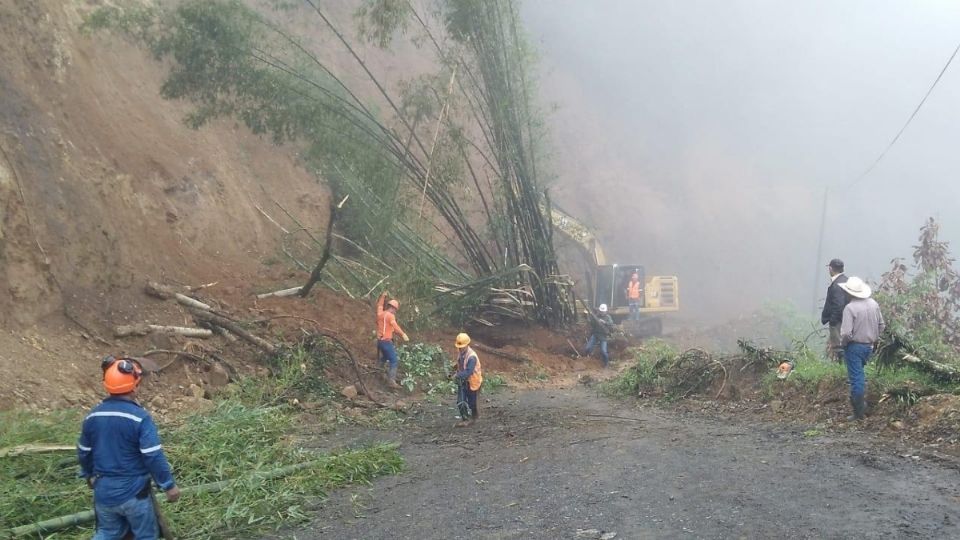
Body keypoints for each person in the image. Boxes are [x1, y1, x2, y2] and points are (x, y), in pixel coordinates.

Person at [78, 356, 179, 540]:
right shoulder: (140, 418)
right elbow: (153, 455)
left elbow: (84, 451)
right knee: (145, 536)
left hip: (104, 492)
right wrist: (168, 485)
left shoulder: (92, 416)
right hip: (134, 493)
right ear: (134, 385)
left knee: (107, 533)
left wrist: (88, 474)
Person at [838, 277, 885, 421]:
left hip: (854, 346)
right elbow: (882, 325)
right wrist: (874, 338)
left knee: (856, 379)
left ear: (850, 293)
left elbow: (846, 333)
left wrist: (844, 344)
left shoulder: (850, 308)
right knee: (860, 375)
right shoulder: (873, 304)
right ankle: (862, 406)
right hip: (869, 346)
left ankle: (859, 412)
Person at [376, 292, 410, 388]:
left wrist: (382, 296)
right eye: (395, 309)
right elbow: (395, 326)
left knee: (385, 357)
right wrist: (403, 334)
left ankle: (378, 373)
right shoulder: (391, 316)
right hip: (386, 341)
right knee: (394, 360)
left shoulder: (380, 313)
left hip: (379, 341)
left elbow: (379, 305)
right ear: (393, 308)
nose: (395, 311)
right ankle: (391, 381)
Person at [821, 258, 849, 362]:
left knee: (838, 347)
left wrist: (833, 321)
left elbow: (839, 304)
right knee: (844, 345)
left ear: (831, 268)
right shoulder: (846, 280)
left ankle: (843, 368)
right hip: (846, 319)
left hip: (838, 321)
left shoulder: (837, 284)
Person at [451, 333, 482, 427]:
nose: (460, 348)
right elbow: (461, 363)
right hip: (464, 381)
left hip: (473, 381)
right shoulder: (461, 353)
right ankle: (465, 419)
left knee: (472, 402)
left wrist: (456, 375)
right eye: (459, 347)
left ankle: (474, 415)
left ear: (467, 345)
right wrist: (455, 367)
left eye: (462, 347)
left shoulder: (472, 357)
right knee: (461, 401)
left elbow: (468, 371)